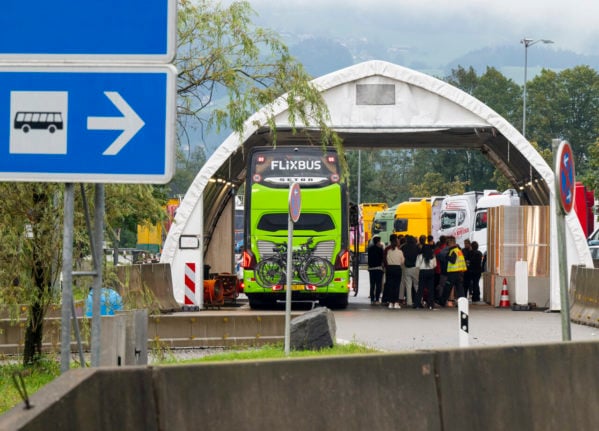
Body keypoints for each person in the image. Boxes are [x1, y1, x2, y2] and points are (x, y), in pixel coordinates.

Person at [440, 236, 467, 306]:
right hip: (459, 272)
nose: (447, 245)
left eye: (448, 243)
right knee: (459, 288)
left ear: (451, 243)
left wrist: (446, 256)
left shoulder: (453, 251)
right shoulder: (458, 250)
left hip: (453, 273)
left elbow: (453, 260)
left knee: (447, 288)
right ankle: (462, 302)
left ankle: (442, 302)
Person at [383, 234, 404, 309]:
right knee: (396, 286)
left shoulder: (388, 251)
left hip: (389, 269)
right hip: (397, 269)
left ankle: (390, 303)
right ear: (397, 242)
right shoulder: (400, 251)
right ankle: (396, 302)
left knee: (390, 286)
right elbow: (402, 261)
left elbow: (387, 260)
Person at [415, 243, 437, 309]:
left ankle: (417, 304)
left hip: (422, 272)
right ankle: (430, 305)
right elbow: (435, 265)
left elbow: (417, 266)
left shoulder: (419, 256)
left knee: (420, 289)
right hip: (430, 272)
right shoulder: (433, 256)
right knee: (431, 289)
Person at [401, 235, 420, 308]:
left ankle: (409, 302)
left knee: (408, 286)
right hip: (415, 268)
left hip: (407, 268)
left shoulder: (404, 247)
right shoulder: (417, 247)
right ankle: (419, 300)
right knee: (417, 285)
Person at [367, 236, 385, 305]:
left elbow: (369, 259)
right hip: (378, 269)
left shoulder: (370, 249)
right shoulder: (380, 249)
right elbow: (382, 259)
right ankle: (377, 299)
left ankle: (372, 299)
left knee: (372, 285)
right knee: (378, 285)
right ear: (378, 242)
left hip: (371, 269)